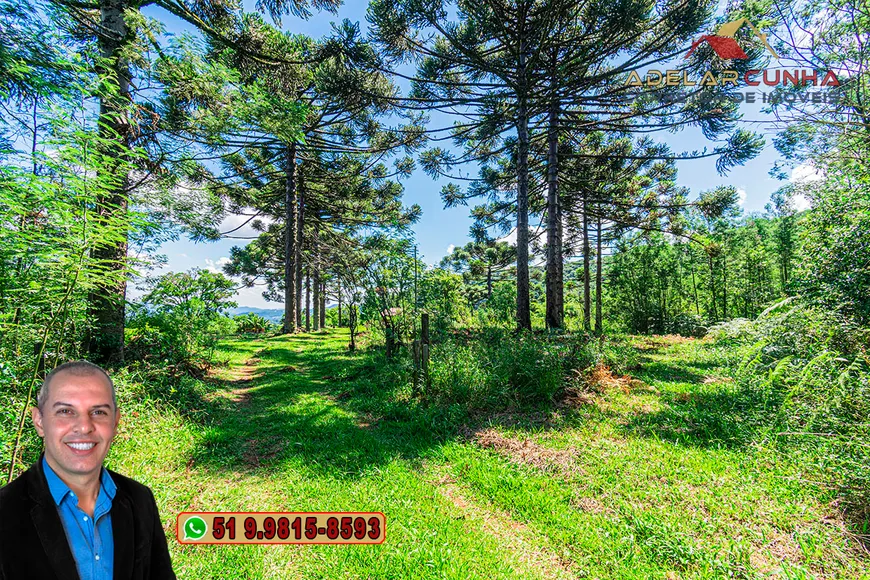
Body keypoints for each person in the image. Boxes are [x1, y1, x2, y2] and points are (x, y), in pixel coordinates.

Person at [0, 361, 176, 580]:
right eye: (65, 411)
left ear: (115, 421)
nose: (84, 426)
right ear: (39, 421)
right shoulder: (5, 511)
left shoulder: (140, 499)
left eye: (99, 412)